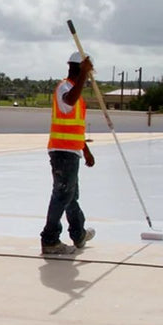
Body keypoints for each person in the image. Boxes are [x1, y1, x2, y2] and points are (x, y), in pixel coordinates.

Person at [40, 52, 98, 255]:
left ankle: (78, 233)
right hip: (62, 151)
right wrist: (84, 73)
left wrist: (86, 150)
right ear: (77, 68)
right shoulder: (65, 88)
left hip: (72, 151)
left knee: (70, 195)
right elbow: (70, 101)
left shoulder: (76, 90)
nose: (89, 78)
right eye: (86, 72)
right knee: (62, 195)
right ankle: (50, 239)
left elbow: (75, 127)